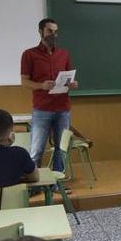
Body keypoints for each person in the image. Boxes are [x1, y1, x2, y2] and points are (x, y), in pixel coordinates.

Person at [21, 18, 78, 172]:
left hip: (63, 108)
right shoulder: (29, 54)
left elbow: (68, 77)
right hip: (42, 109)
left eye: (55, 31)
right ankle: (34, 185)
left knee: (62, 150)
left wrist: (72, 84)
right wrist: (41, 85)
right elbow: (24, 82)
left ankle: (57, 183)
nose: (53, 34)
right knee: (36, 150)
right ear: (40, 32)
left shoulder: (64, 54)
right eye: (49, 31)